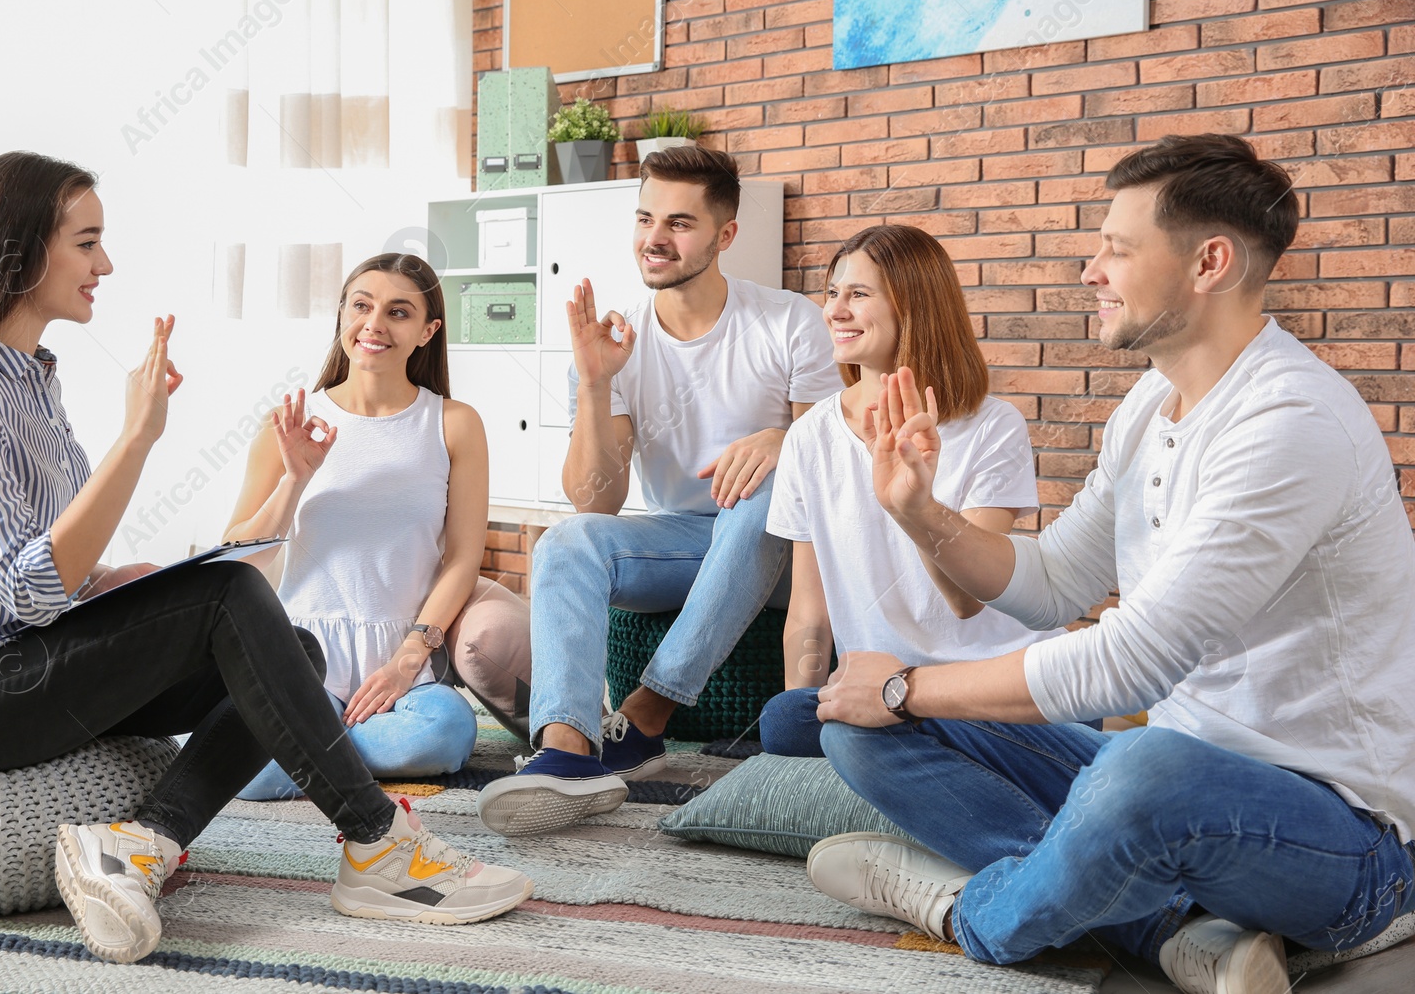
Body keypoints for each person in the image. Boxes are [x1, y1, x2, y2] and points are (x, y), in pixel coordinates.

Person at [0, 152, 531, 967]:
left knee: (295, 650)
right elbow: (33, 585)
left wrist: (112, 583)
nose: (105, 263)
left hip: (19, 661)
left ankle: (141, 843)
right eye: (87, 241)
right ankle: (377, 842)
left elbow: (51, 567)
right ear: (21, 251)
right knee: (230, 598)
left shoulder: (31, 379)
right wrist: (139, 437)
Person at [802, 134, 1415, 994]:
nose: (1091, 269)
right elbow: (1052, 583)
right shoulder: (1147, 404)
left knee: (1136, 768)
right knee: (853, 727)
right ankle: (1170, 932)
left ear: (1209, 262)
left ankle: (971, 911)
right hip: (1172, 770)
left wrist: (905, 682)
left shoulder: (1289, 421)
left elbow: (1132, 663)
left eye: (1116, 250)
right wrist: (919, 511)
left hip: (1341, 839)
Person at [477, 145, 845, 836]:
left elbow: (835, 463)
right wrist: (594, 382)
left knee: (770, 490)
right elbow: (597, 499)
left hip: (791, 553)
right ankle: (567, 750)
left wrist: (782, 441)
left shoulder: (790, 321)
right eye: (646, 218)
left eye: (679, 223)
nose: (655, 238)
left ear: (724, 235)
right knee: (568, 539)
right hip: (682, 540)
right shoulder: (617, 340)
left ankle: (646, 715)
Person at [224, 252, 532, 798]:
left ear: (427, 331)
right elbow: (239, 561)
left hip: (405, 658)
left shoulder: (454, 423)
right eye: (361, 306)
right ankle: (332, 750)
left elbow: (463, 560)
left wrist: (407, 660)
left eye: (398, 312)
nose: (374, 324)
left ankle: (310, 754)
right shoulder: (290, 422)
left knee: (443, 733)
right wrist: (295, 478)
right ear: (341, 314)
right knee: (252, 773)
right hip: (303, 657)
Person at [759, 224, 1062, 757]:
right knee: (786, 720)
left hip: (986, 690)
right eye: (832, 293)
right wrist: (808, 720)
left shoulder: (992, 426)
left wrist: (914, 508)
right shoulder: (811, 434)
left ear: (914, 306)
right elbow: (810, 612)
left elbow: (967, 600)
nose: (833, 311)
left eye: (857, 294)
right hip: (878, 694)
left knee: (864, 743)